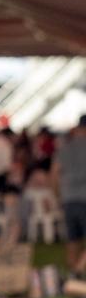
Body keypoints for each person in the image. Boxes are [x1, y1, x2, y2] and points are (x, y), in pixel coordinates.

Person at [52, 114, 86, 270]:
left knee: (72, 239)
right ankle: (79, 269)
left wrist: (57, 195)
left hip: (68, 198)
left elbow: (54, 173)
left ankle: (73, 271)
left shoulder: (64, 148)